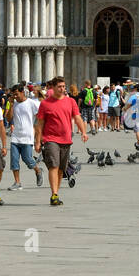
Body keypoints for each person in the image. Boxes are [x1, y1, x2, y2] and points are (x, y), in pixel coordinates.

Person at [34, 76, 86, 206]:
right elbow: (40, 124)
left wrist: (84, 132)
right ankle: (54, 194)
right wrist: (38, 141)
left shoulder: (70, 102)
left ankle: (56, 192)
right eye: (59, 87)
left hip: (66, 139)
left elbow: (78, 118)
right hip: (50, 139)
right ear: (53, 88)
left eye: (64, 86)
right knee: (54, 165)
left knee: (61, 169)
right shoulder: (45, 104)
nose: (62, 89)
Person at [5, 84, 43, 190]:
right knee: (14, 160)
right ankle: (17, 182)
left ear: (22, 92)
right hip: (15, 137)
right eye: (13, 95)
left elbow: (40, 118)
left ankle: (37, 170)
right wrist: (11, 104)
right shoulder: (13, 103)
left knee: (28, 159)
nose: (15, 96)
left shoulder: (32, 103)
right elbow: (8, 119)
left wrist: (38, 137)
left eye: (16, 94)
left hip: (28, 136)